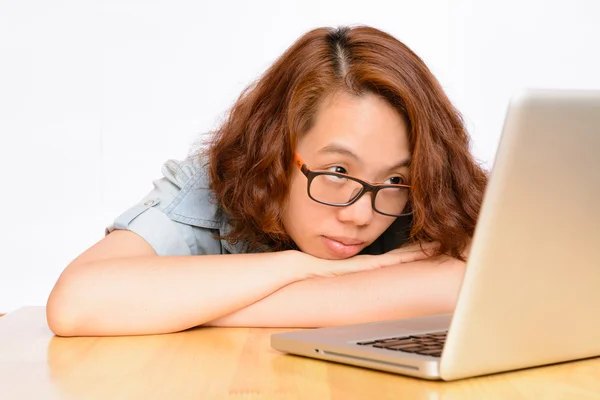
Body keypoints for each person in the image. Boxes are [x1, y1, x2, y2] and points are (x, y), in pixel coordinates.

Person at [46, 25, 487, 337]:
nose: (360, 214)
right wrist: (295, 267)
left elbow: (469, 285)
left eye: (394, 178)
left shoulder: (425, 195)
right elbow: (77, 302)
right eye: (337, 172)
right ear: (277, 148)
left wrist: (193, 308)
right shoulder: (210, 186)